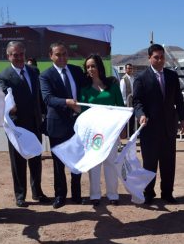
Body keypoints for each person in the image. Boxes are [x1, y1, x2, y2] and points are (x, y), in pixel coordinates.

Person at [0, 41, 49, 208]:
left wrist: (44, 114)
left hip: (34, 123)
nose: (18, 57)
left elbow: (39, 96)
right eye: (14, 54)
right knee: (17, 162)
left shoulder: (34, 71)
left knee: (35, 159)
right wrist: (9, 106)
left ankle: (37, 192)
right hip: (16, 126)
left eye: (20, 54)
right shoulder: (3, 76)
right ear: (8, 56)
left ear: (24, 54)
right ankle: (20, 195)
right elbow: (5, 97)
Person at [132, 44, 184, 205]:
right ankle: (148, 193)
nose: (160, 60)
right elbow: (137, 101)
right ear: (149, 58)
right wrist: (141, 115)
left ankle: (167, 193)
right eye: (156, 57)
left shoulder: (172, 76)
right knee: (149, 164)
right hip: (149, 129)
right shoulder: (141, 78)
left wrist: (182, 119)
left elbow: (179, 99)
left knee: (168, 163)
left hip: (169, 128)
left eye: (162, 57)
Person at [39, 42, 85, 209]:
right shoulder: (46, 76)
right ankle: (60, 195)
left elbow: (88, 87)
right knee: (59, 163)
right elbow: (48, 99)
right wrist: (67, 102)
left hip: (77, 124)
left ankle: (77, 195)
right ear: (51, 55)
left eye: (65, 53)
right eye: (58, 54)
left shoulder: (76, 71)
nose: (62, 57)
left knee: (77, 160)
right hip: (57, 125)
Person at [80, 54, 124, 206]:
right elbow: (82, 114)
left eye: (93, 66)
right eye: (88, 67)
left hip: (111, 132)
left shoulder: (113, 87)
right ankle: (95, 196)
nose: (91, 69)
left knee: (110, 163)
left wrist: (120, 130)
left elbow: (121, 109)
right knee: (94, 164)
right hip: (93, 134)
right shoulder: (84, 90)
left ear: (99, 67)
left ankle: (113, 194)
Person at [120, 63, 136, 139]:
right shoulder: (123, 79)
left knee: (133, 119)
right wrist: (125, 103)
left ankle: (132, 134)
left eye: (131, 68)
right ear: (125, 69)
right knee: (128, 120)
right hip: (127, 103)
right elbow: (122, 92)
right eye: (128, 68)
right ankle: (127, 135)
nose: (129, 70)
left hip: (133, 102)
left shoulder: (133, 78)